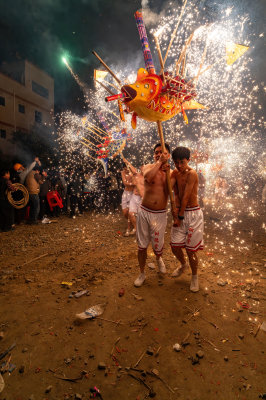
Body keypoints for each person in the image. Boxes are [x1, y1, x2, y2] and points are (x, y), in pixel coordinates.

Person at [134, 143, 170, 287]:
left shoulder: (170, 173)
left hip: (160, 214)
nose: (158, 154)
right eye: (156, 152)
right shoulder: (148, 167)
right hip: (144, 211)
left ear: (169, 155)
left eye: (162, 152)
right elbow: (148, 178)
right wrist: (160, 162)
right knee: (142, 245)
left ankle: (159, 258)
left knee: (157, 244)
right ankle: (142, 273)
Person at [170, 146, 204, 292]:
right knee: (174, 246)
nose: (179, 165)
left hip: (192, 214)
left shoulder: (192, 173)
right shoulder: (175, 173)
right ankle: (183, 265)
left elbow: (186, 197)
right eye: (176, 162)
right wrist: (165, 170)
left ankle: (195, 277)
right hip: (179, 212)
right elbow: (172, 191)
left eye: (182, 162)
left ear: (188, 160)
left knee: (191, 250)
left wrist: (180, 216)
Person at [123, 158, 144, 236]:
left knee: (141, 215)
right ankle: (136, 228)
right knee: (131, 214)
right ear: (140, 168)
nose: (143, 168)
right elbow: (133, 170)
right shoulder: (136, 174)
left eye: (145, 167)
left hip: (142, 198)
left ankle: (142, 230)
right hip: (134, 197)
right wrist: (127, 162)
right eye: (142, 167)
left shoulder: (148, 177)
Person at [120, 163, 135, 236]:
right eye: (124, 168)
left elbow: (135, 182)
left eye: (126, 168)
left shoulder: (133, 172)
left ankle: (128, 228)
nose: (125, 170)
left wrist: (132, 183)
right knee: (124, 212)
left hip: (132, 193)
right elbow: (125, 183)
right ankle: (133, 222)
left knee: (129, 211)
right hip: (125, 193)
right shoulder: (122, 172)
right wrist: (132, 183)